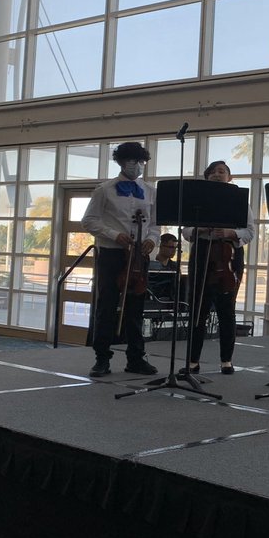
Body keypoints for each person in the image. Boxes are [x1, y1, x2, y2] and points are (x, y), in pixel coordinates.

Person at [81, 142, 159, 378]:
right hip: (112, 253)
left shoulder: (150, 190)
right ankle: (102, 358)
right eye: (132, 161)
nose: (137, 166)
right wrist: (115, 234)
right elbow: (89, 221)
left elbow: (155, 224)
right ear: (121, 162)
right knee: (106, 305)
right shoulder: (104, 190)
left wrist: (152, 240)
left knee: (135, 308)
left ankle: (135, 358)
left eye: (141, 161)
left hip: (139, 255)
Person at [185, 160, 255, 375]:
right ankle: (192, 361)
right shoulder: (197, 199)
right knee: (198, 310)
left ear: (230, 177)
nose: (217, 174)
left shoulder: (239, 200)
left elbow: (250, 231)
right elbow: (186, 231)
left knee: (227, 311)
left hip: (229, 258)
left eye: (222, 171)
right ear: (207, 177)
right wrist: (199, 229)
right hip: (202, 254)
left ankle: (226, 360)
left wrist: (229, 233)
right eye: (213, 172)